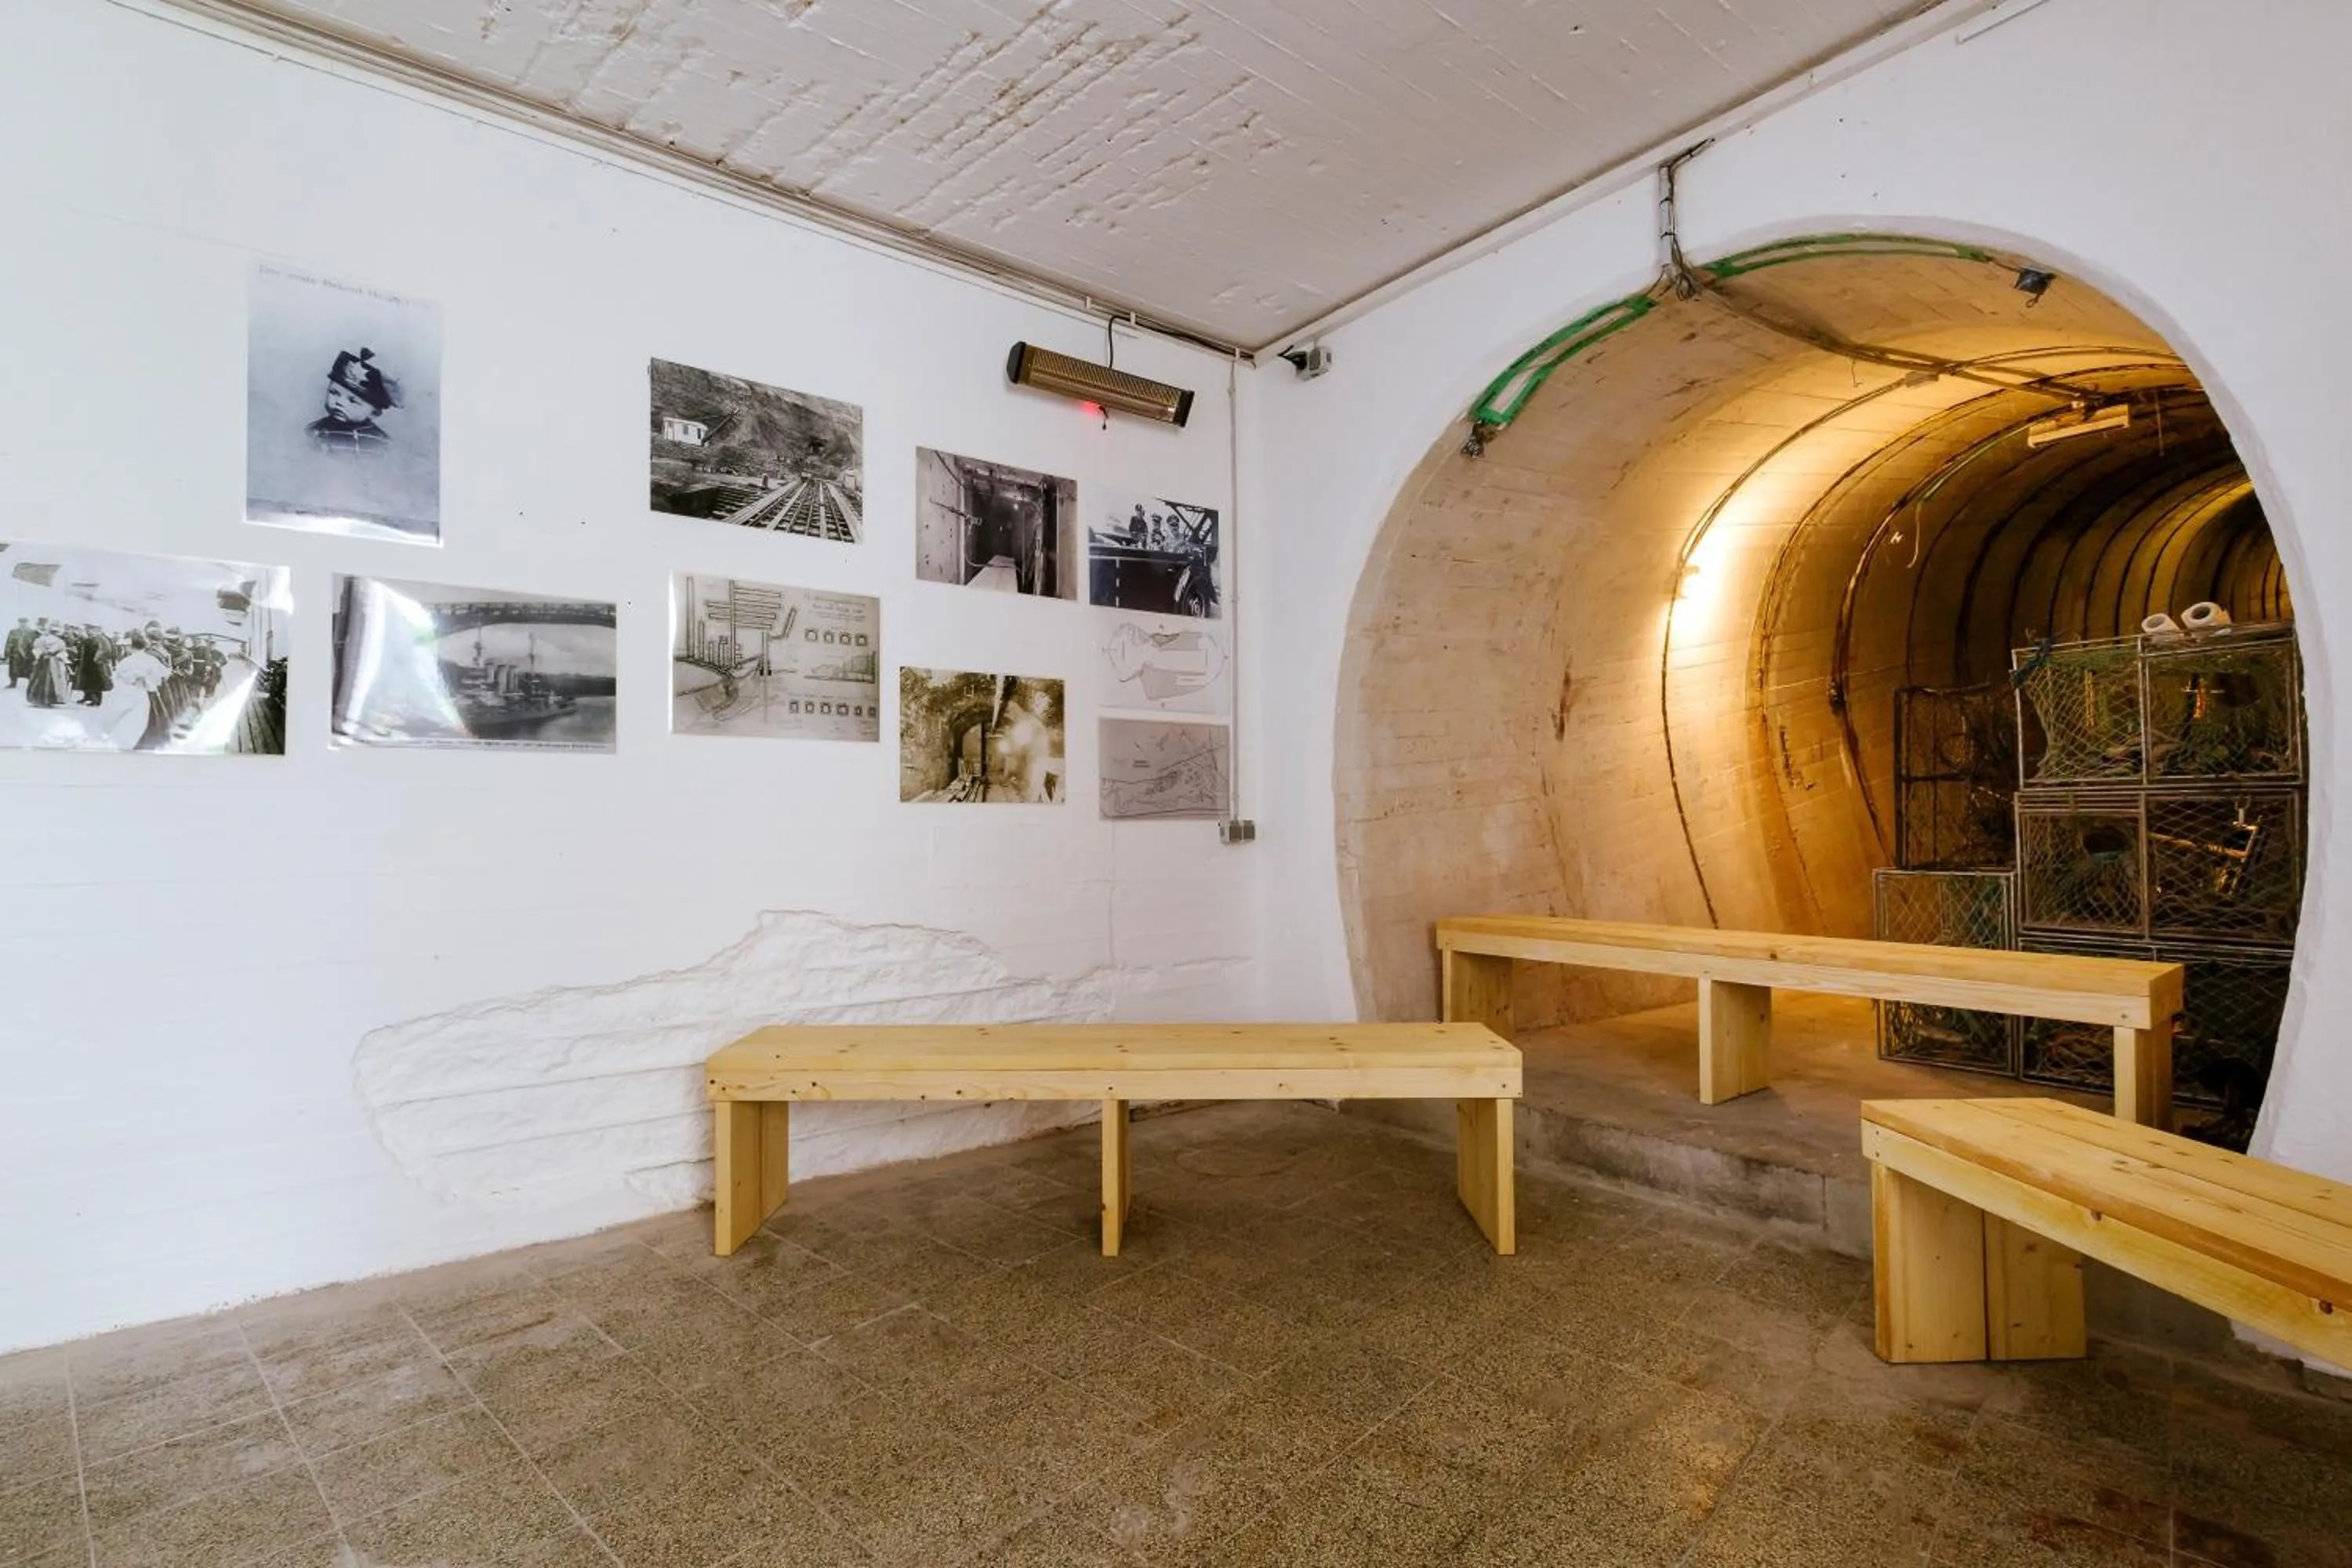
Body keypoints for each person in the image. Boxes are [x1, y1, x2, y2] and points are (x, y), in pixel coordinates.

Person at [307, 347, 401, 452]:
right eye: (334, 393)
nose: (339, 402)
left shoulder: (382, 442)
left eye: (353, 401)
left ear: (374, 413)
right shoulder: (314, 433)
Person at [112, 633, 172, 750]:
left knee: (130, 719)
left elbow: (117, 678)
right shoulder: (152, 660)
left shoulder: (126, 661)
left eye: (126, 646)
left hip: (130, 694)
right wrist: (150, 680)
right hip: (149, 693)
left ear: (130, 646)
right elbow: (164, 674)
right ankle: (151, 740)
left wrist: (134, 677)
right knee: (152, 718)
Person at [24, 622, 68, 708]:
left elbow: (36, 648)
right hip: (53, 662)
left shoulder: (41, 639)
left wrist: (40, 655)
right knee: (52, 680)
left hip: (42, 660)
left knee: (40, 679)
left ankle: (38, 698)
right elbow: (61, 650)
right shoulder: (59, 641)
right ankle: (49, 699)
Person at [73, 626, 113, 707]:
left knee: (96, 683)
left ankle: (96, 700)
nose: (88, 632)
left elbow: (107, 651)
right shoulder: (89, 639)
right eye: (87, 630)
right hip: (87, 664)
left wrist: (97, 659)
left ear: (96, 630)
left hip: (96, 666)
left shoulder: (101, 639)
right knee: (87, 682)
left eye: (91, 630)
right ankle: (87, 697)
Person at [3, 617, 31, 689]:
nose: (23, 624)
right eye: (21, 623)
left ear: (27, 623)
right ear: (19, 623)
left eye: (25, 623)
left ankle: (31, 684)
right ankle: (13, 683)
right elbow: (9, 643)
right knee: (13, 670)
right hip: (15, 655)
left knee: (29, 669)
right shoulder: (13, 632)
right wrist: (7, 655)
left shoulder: (32, 633)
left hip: (27, 655)